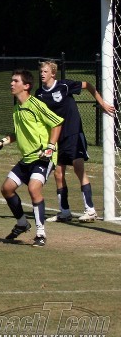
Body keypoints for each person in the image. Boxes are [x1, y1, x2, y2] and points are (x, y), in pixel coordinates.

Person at [36, 60, 115, 223]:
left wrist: (101, 103)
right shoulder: (39, 94)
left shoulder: (64, 86)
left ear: (53, 73)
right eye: (41, 71)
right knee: (58, 173)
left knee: (78, 168)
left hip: (73, 132)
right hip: (56, 136)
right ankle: (65, 212)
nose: (42, 74)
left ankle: (90, 210)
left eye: (45, 71)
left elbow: (88, 85)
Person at [0, 69, 64, 247]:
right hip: (27, 158)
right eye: (12, 80)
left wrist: (50, 147)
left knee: (33, 188)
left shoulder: (36, 105)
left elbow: (57, 123)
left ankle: (40, 233)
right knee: (7, 189)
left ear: (26, 86)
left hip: (43, 157)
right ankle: (22, 223)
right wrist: (3, 142)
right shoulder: (17, 108)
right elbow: (18, 133)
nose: (11, 83)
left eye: (16, 81)